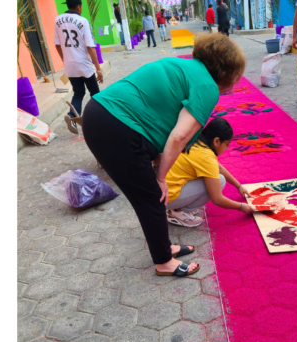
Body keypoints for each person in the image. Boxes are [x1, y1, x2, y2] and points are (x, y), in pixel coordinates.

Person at [81, 34, 247, 277]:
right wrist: (161, 177)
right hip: (117, 125)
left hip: (100, 115)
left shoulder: (183, 65)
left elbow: (162, 121)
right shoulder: (207, 86)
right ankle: (164, 262)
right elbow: (179, 137)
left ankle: (164, 247)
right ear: (226, 71)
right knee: (152, 197)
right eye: (235, 76)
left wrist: (159, 162)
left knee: (150, 196)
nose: (234, 83)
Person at [166, 118, 254, 227]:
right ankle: (178, 212)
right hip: (167, 198)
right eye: (227, 144)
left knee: (214, 177)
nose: (227, 148)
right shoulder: (206, 156)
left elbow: (219, 168)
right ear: (216, 141)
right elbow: (217, 199)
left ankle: (179, 207)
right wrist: (241, 206)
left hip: (160, 191)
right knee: (219, 181)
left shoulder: (197, 141)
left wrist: (238, 186)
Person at [54, 0, 103, 135]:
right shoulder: (82, 21)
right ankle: (99, 119)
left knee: (79, 93)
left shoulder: (57, 20)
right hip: (84, 64)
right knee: (95, 94)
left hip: (70, 65)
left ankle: (72, 116)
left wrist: (65, 60)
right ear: (79, 6)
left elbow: (57, 45)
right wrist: (98, 68)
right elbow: (90, 46)